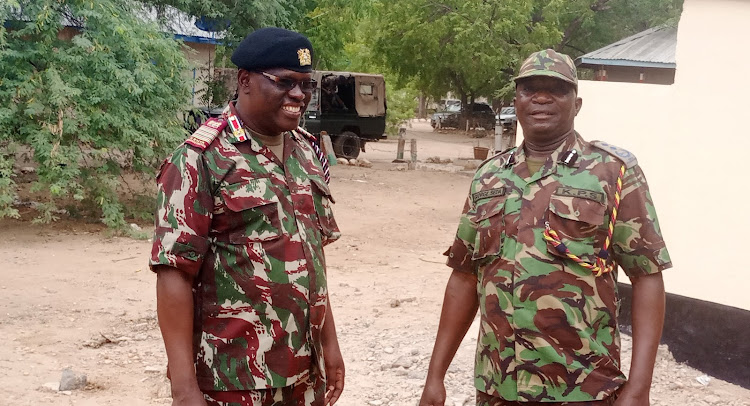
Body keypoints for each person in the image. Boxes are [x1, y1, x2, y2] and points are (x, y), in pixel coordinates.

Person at [419, 49, 671, 406]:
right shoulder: (489, 177)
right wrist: (435, 376)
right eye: (529, 89)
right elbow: (463, 276)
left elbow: (647, 274)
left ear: (577, 103)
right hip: (498, 387)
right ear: (516, 100)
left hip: (582, 389)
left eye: (556, 89)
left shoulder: (611, 173)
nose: (540, 97)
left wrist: (640, 386)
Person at [150, 27, 344, 406]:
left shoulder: (306, 152)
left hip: (304, 373)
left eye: (306, 85)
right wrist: (184, 388)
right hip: (233, 378)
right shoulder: (200, 159)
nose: (299, 95)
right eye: (285, 82)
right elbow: (174, 272)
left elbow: (310, 261)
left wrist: (330, 344)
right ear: (245, 81)